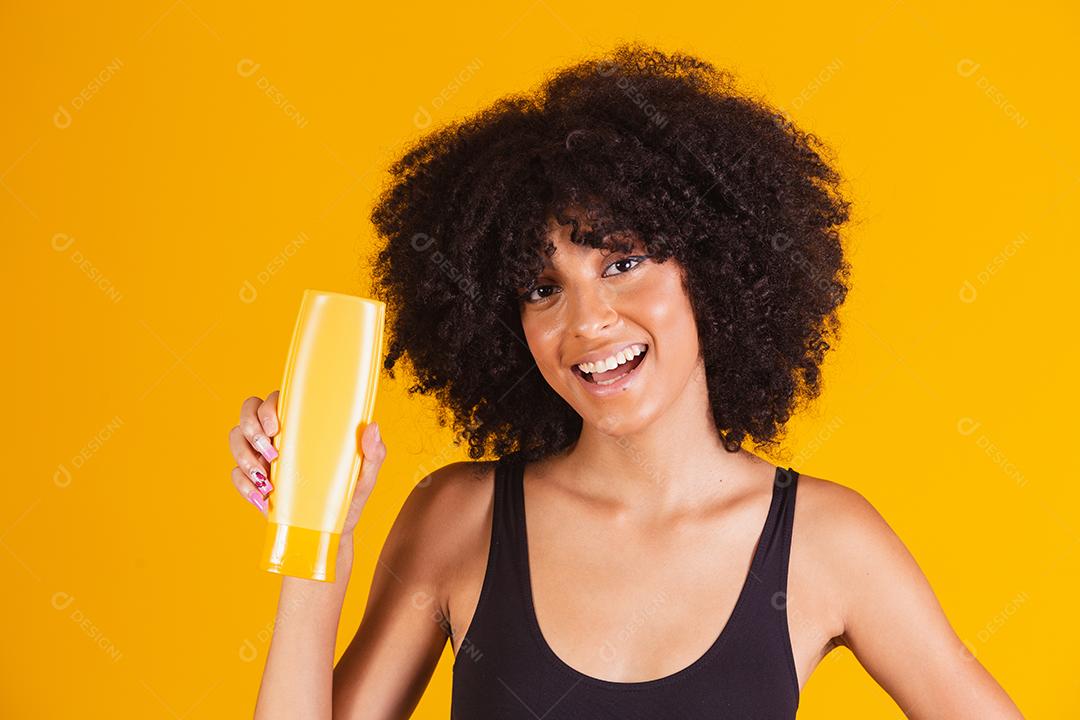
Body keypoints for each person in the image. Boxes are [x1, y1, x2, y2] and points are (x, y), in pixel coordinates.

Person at [227, 43, 1024, 719]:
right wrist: (314, 525)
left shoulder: (826, 542)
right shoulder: (458, 519)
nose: (588, 319)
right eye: (543, 288)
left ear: (715, 269)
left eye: (624, 261)